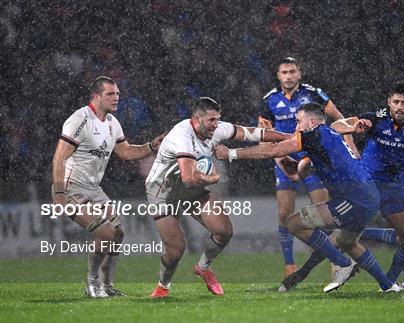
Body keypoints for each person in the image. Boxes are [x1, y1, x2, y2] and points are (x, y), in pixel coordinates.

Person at [217, 103, 400, 293]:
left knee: (293, 223)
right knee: (348, 242)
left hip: (354, 199)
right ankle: (388, 286)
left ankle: (342, 263)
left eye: (298, 121)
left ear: (312, 122)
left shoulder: (315, 135)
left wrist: (230, 153)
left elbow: (274, 151)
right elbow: (300, 163)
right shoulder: (328, 134)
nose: (296, 127)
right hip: (367, 195)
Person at [279, 82, 404, 292]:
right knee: (340, 239)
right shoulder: (376, 118)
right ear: (390, 103)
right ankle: (302, 273)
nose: (401, 107)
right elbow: (335, 127)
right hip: (368, 183)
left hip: (396, 187)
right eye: (397, 102)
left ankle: (391, 282)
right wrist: (353, 126)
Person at [146, 97, 290, 298]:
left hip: (190, 190)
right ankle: (163, 285)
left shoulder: (216, 128)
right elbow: (188, 177)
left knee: (224, 231)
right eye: (211, 120)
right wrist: (211, 178)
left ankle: (203, 267)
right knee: (176, 250)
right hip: (163, 193)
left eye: (217, 119)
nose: (216, 125)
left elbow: (250, 132)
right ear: (196, 119)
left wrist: (287, 136)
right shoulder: (182, 135)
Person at [51, 76, 164, 297]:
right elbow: (59, 158)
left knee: (118, 233)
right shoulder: (80, 119)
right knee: (104, 231)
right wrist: (59, 194)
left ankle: (107, 285)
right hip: (72, 186)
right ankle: (92, 284)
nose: (116, 98)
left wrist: (151, 146)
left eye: (118, 94)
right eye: (110, 94)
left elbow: (125, 151)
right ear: (96, 97)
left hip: (94, 189)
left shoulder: (112, 122)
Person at [258, 57, 355, 277]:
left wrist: (350, 147)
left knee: (324, 211)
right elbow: (263, 137)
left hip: (312, 160)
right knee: (284, 213)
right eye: (284, 72)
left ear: (299, 73)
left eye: (292, 71)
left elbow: (340, 119)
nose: (289, 76)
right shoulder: (269, 100)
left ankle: (336, 263)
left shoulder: (313, 93)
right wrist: (282, 163)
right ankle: (289, 265)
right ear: (278, 75)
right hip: (285, 160)